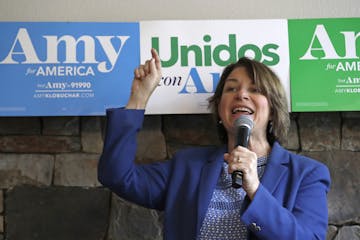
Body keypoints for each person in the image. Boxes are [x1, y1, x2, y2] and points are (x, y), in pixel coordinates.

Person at [98, 48, 331, 240]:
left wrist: (255, 190)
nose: (241, 94)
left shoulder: (307, 174)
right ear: (220, 109)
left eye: (255, 89)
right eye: (231, 88)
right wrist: (138, 97)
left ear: (273, 110)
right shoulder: (187, 165)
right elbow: (117, 176)